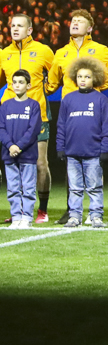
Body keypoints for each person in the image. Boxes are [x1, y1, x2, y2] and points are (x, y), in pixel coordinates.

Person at [46, 10, 108, 225]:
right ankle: (72, 211)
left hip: (93, 110)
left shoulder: (102, 51)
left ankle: (95, 213)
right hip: (70, 109)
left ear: (90, 28)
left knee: (93, 170)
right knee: (72, 169)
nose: (74, 23)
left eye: (80, 21)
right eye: (73, 20)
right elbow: (51, 83)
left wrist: (96, 89)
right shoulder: (61, 53)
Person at [0, 14, 54, 224]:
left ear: (30, 30)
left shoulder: (43, 51)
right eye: (12, 25)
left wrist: (47, 90)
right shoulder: (5, 53)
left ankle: (42, 210)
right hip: (11, 115)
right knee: (13, 161)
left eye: (20, 26)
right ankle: (18, 211)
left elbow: (56, 74)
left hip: (37, 115)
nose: (15, 29)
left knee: (40, 163)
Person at [56, 57, 108, 229]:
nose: (83, 80)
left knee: (94, 187)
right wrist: (60, 147)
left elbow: (107, 127)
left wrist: (105, 149)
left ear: (95, 78)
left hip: (93, 153)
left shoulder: (101, 100)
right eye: (80, 76)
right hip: (72, 153)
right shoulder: (68, 99)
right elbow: (61, 125)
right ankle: (74, 216)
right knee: (74, 188)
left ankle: (96, 216)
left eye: (87, 77)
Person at [0, 69, 42, 228]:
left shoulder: (34, 105)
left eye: (21, 82)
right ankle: (16, 216)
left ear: (28, 85)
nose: (17, 85)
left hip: (28, 155)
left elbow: (33, 130)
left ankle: (27, 217)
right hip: (9, 154)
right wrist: (10, 146)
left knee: (28, 188)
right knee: (13, 188)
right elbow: (1, 129)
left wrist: (19, 146)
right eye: (14, 82)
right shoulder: (5, 106)